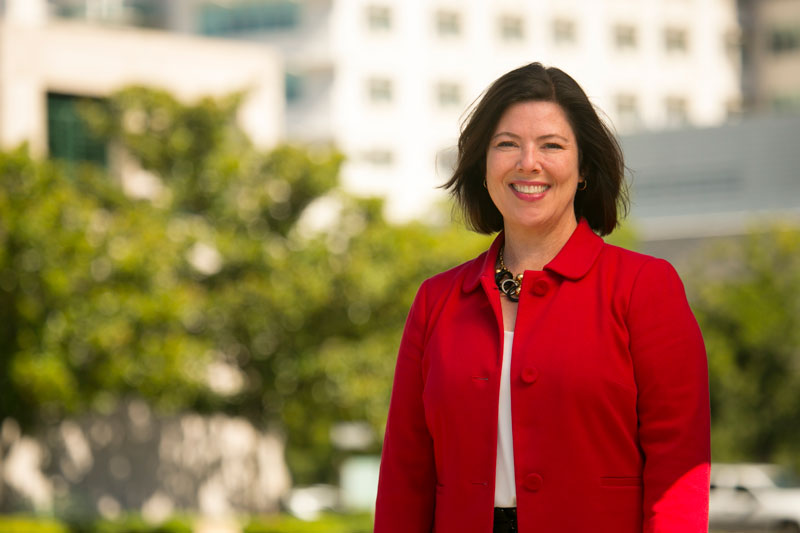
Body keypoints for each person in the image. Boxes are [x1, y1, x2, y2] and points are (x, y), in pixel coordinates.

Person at [373, 62, 710, 533]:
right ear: (483, 164)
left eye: (551, 145)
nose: (528, 162)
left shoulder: (644, 287)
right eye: (507, 144)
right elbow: (405, 475)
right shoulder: (436, 301)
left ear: (584, 168)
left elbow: (678, 462)